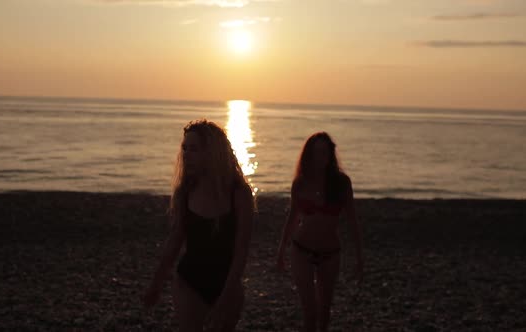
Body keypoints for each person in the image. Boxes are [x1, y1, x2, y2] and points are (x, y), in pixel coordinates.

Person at [142, 119, 254, 332]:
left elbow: (241, 250)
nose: (186, 154)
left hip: (227, 282)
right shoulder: (186, 191)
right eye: (184, 148)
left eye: (194, 149)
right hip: (189, 280)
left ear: (211, 153)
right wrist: (156, 283)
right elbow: (175, 240)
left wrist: (227, 295)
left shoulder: (238, 193)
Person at [276, 132, 364, 332]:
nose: (320, 157)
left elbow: (352, 221)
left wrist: (360, 257)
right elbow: (292, 217)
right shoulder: (300, 183)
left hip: (330, 253)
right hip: (301, 250)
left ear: (330, 154)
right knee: (309, 312)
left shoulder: (342, 183)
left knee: (324, 312)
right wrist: (281, 250)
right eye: (316, 153)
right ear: (309, 155)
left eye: (324, 153)